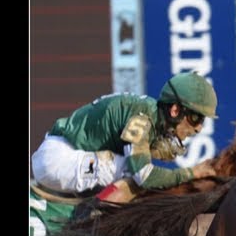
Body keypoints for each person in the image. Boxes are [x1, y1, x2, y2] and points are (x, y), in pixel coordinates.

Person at [30, 71, 218, 200]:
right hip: (57, 160)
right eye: (195, 117)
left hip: (67, 157)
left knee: (131, 169)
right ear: (175, 110)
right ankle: (90, 231)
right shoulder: (142, 118)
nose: (199, 128)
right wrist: (191, 173)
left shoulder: (150, 115)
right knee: (134, 172)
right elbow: (144, 177)